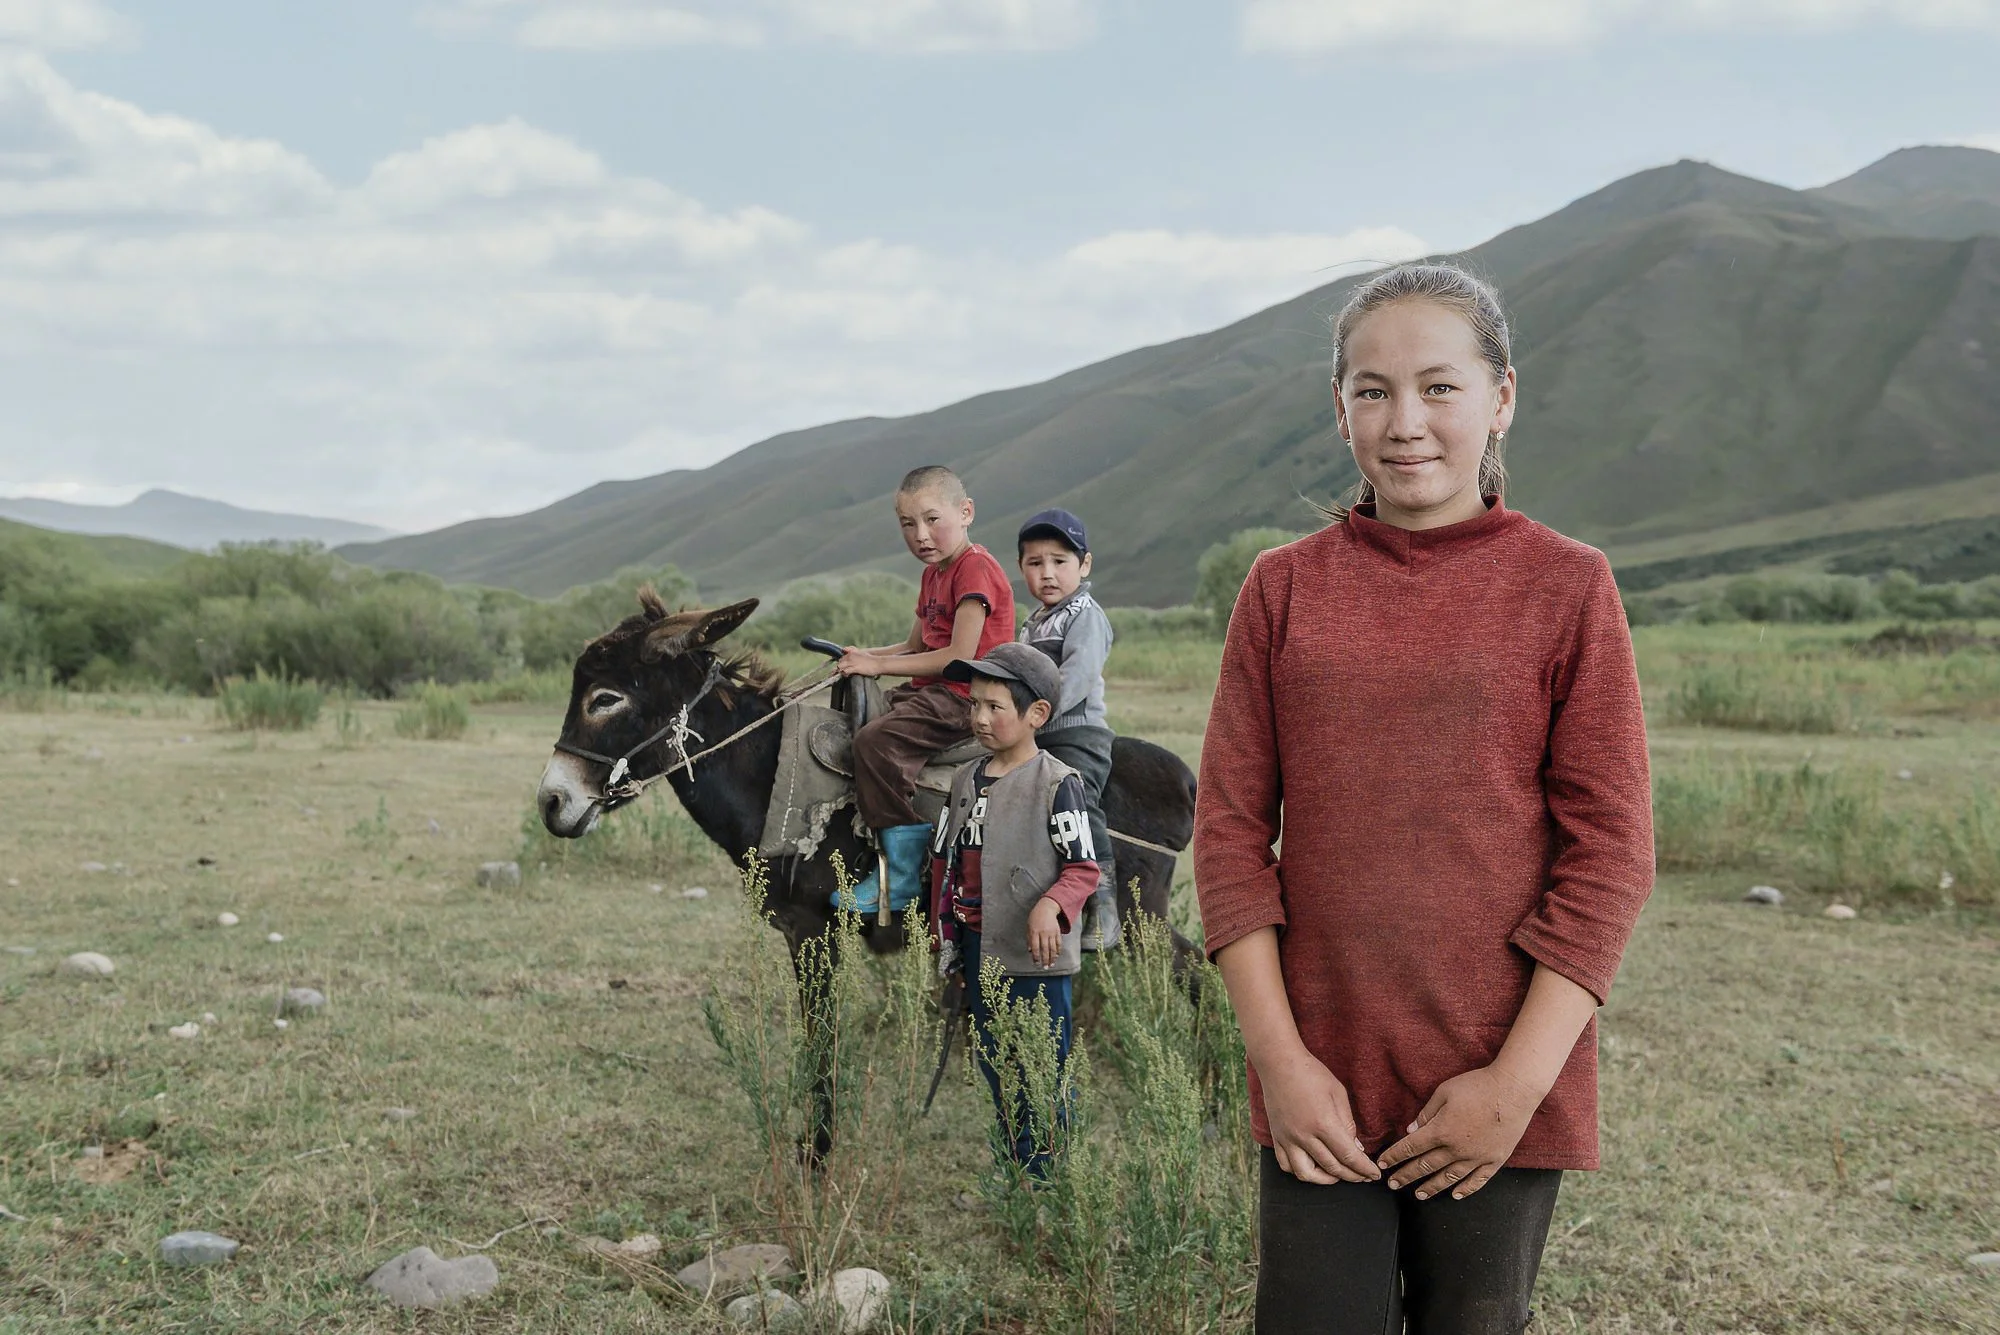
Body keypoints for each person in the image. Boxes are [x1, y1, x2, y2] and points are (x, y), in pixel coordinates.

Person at [1192, 262, 1655, 1334]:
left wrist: (1512, 1086)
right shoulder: (1282, 586)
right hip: (1322, 1087)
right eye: (1370, 390)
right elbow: (1224, 839)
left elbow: (1609, 852)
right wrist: (1281, 1065)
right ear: (1340, 407)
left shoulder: (1566, 583)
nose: (1404, 423)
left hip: (1502, 1082)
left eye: (1437, 387)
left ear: (1499, 398)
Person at [929, 642, 1098, 1175]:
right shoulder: (965, 779)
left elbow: (1083, 868)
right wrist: (946, 936)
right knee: (996, 1063)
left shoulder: (1057, 784)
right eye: (974, 704)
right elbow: (946, 861)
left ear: (1037, 714)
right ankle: (1013, 1172)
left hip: (1033, 960)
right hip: (978, 949)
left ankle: (1046, 1181)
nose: (979, 717)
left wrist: (1051, 904)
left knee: (1040, 1068)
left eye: (994, 707)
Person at [836, 465, 1016, 914]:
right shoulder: (933, 573)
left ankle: (900, 875)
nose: (920, 534)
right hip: (934, 691)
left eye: (932, 519)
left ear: (966, 511)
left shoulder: (975, 571)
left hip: (967, 694)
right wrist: (862, 655)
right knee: (856, 715)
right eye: (907, 524)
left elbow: (958, 657)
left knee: (875, 741)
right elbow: (916, 646)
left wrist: (878, 665)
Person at [1015, 507, 1121, 951]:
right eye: (1035, 563)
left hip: (1078, 734)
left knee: (1079, 802)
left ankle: (1103, 901)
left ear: (1085, 564)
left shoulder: (1085, 615)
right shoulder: (1032, 622)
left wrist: (1031, 717)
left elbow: (1076, 677)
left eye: (1060, 561)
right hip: (1037, 734)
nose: (1048, 573)